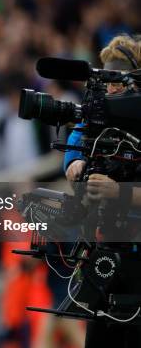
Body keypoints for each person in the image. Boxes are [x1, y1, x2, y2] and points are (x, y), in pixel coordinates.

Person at [62, 34, 141, 348]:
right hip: (107, 251)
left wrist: (117, 192)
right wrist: (76, 163)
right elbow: (76, 140)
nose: (108, 89)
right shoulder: (99, 116)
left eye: (115, 80)